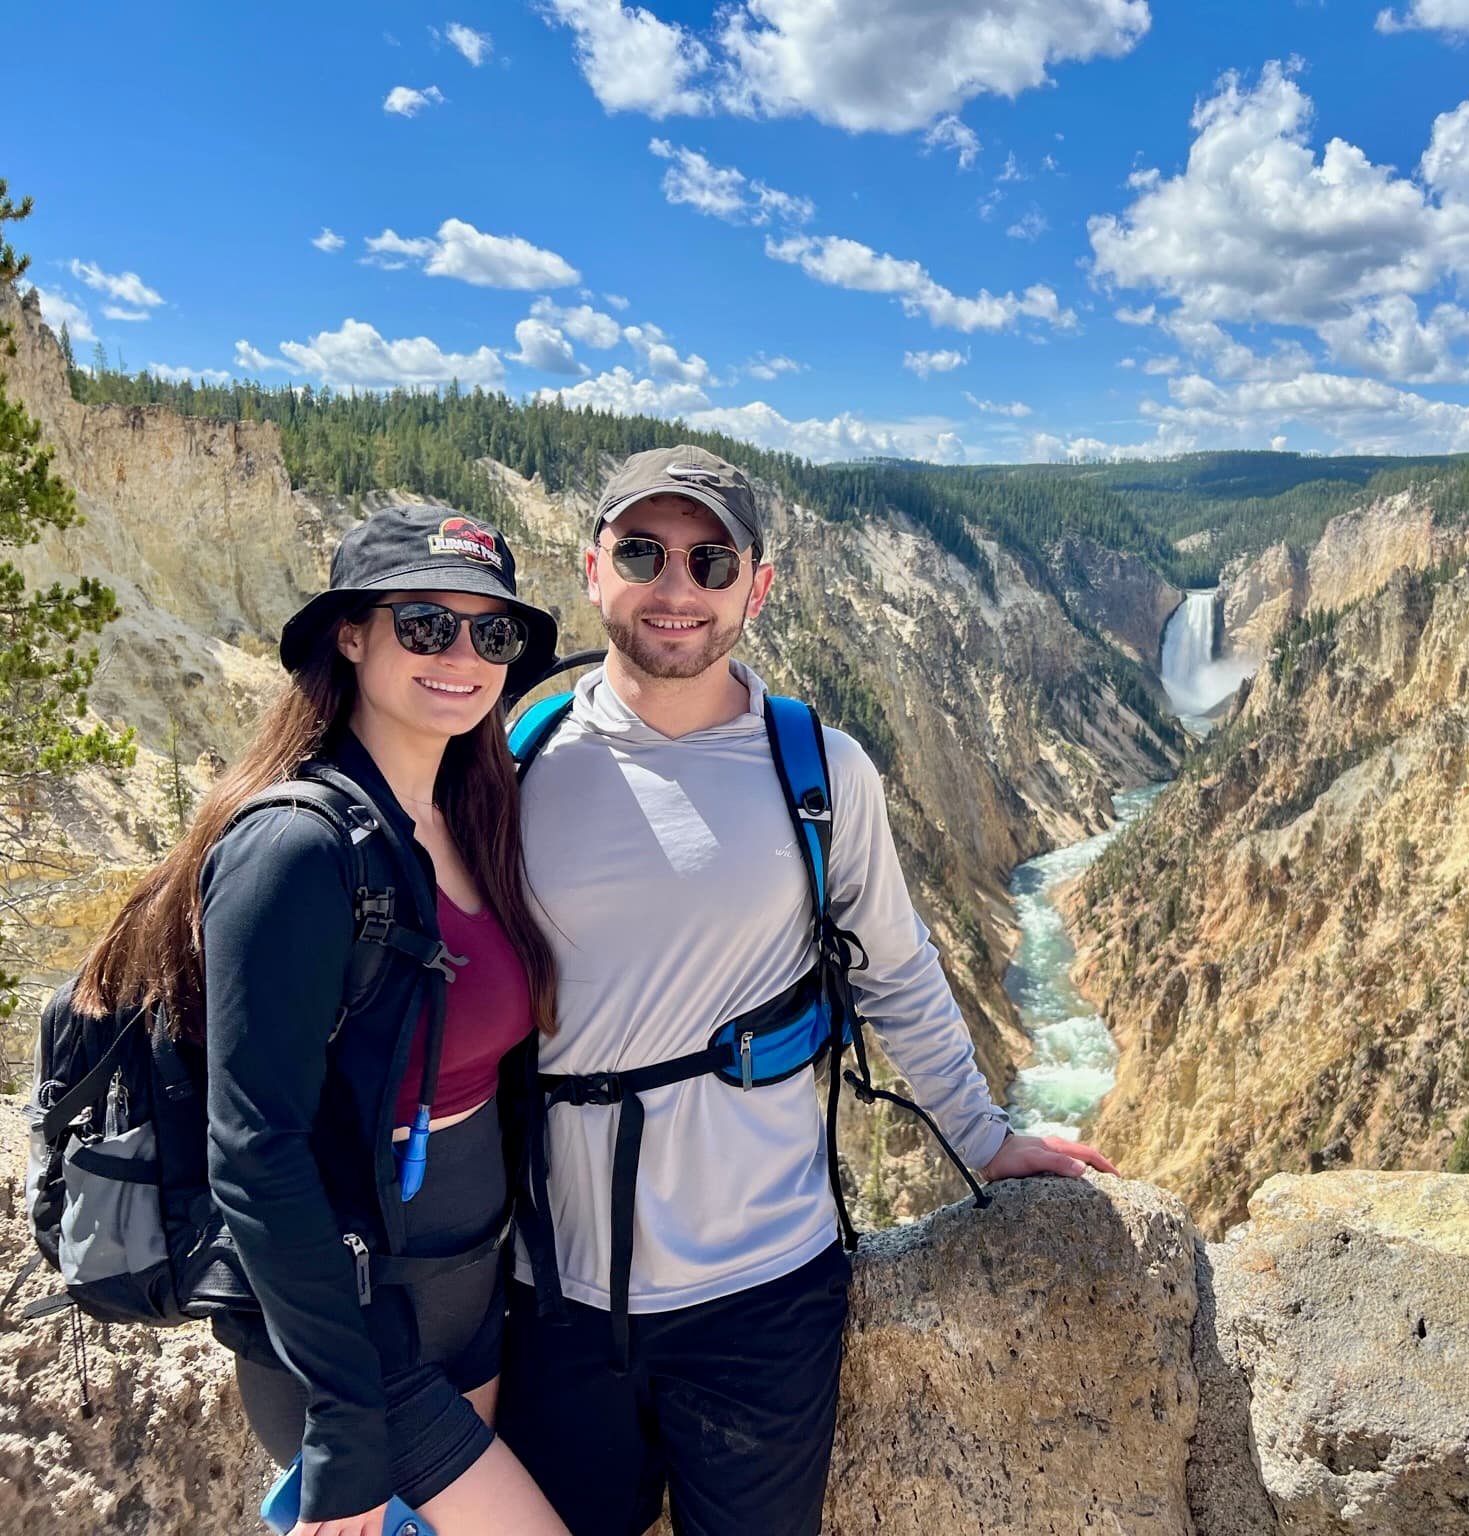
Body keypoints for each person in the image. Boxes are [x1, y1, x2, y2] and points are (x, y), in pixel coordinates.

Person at [497, 446, 1119, 1536]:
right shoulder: (513, 763)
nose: (676, 586)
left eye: (710, 558)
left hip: (765, 1295)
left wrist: (980, 1135)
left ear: (757, 585)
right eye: (642, 552)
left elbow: (895, 967)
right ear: (592, 569)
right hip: (552, 1296)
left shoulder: (820, 772)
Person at [73, 506, 572, 1536]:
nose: (463, 656)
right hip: (354, 1333)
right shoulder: (296, 849)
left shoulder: (471, 815)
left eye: (492, 633)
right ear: (350, 634)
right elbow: (254, 1152)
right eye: (426, 625)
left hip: (465, 1302)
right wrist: (345, 1424)